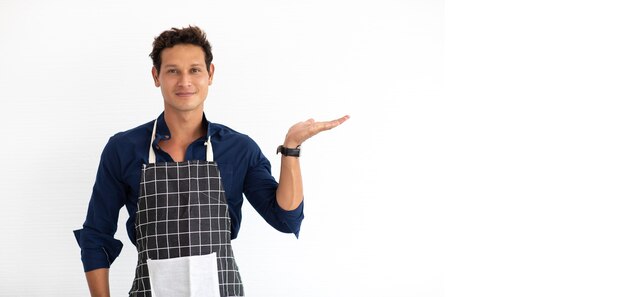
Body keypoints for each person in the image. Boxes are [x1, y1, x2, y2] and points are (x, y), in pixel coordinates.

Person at [73, 25, 349, 297]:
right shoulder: (123, 149)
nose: (184, 81)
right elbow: (96, 237)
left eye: (194, 70)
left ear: (210, 74)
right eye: (172, 71)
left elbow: (285, 218)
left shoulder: (238, 148)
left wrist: (291, 149)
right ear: (156, 76)